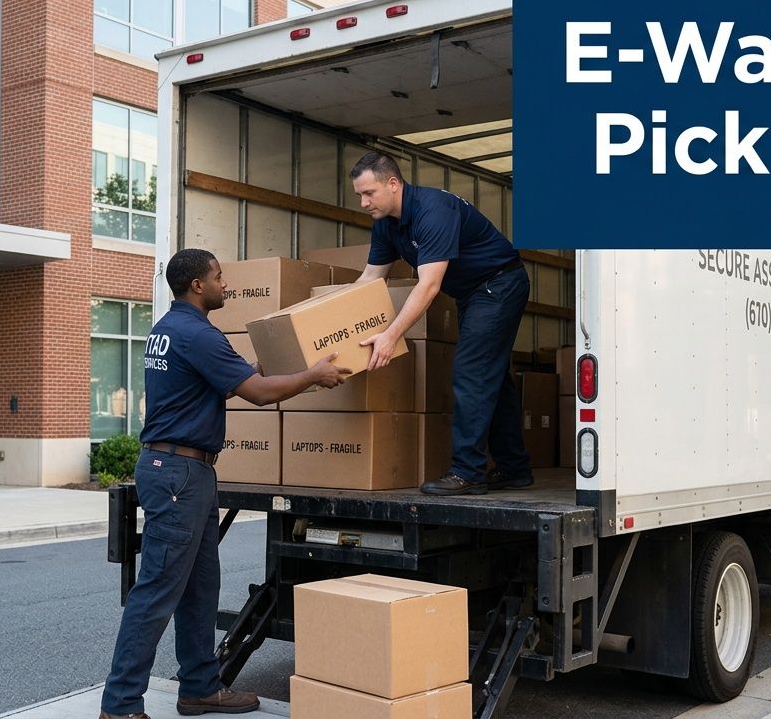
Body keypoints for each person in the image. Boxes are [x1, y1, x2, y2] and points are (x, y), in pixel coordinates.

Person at [99, 248, 351, 719]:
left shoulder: (168, 330)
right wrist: (313, 375)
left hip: (181, 471)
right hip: (179, 474)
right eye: (218, 277)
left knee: (199, 586)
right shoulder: (196, 334)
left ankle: (199, 687)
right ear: (197, 285)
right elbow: (256, 394)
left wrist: (273, 360)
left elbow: (239, 375)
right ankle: (120, 706)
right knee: (156, 591)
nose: (224, 284)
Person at [352, 151, 531, 496]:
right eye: (359, 194)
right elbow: (371, 278)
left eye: (369, 193)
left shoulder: (433, 212)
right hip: (473, 293)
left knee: (471, 372)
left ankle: (468, 472)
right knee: (490, 377)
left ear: (393, 184)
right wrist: (324, 320)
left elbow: (429, 285)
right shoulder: (386, 225)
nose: (363, 202)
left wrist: (390, 335)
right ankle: (514, 467)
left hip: (499, 284)